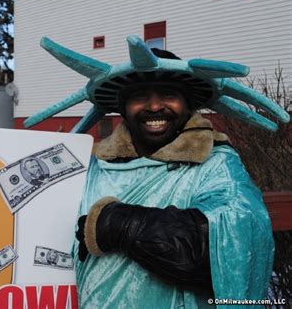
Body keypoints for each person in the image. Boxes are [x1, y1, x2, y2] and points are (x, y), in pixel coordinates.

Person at [24, 36, 289, 308]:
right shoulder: (93, 168)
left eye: (168, 95)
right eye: (140, 96)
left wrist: (123, 224)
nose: (153, 106)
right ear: (123, 109)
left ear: (188, 104)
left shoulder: (216, 165)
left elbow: (227, 247)